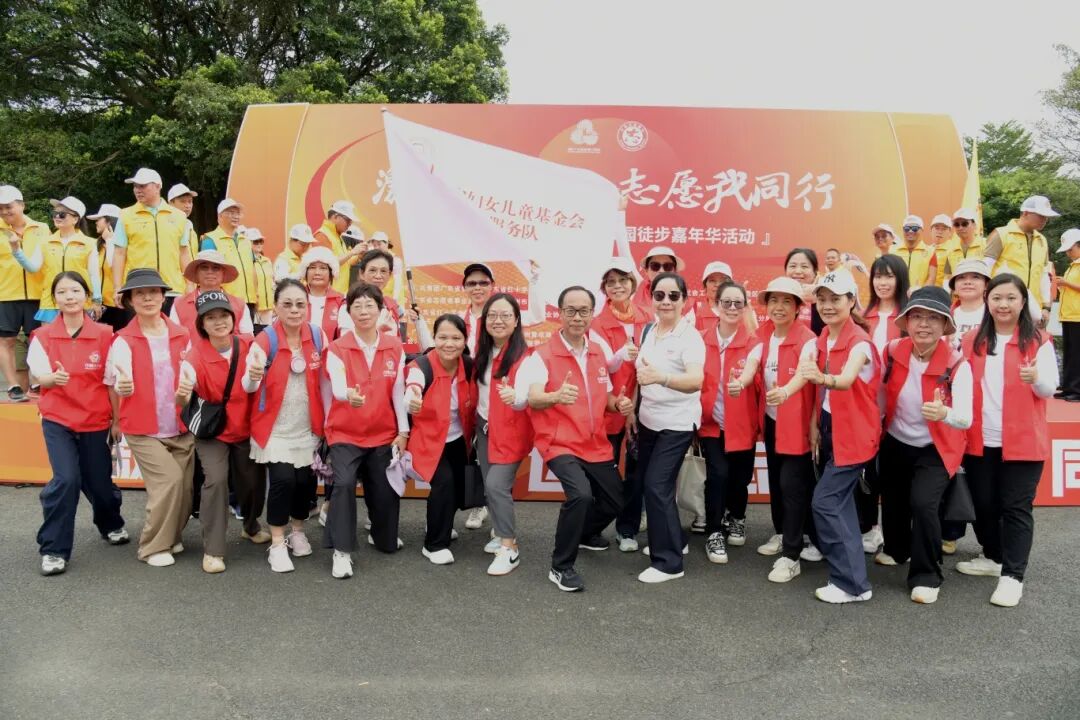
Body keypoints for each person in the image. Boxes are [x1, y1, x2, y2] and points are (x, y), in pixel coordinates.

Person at [517, 286, 629, 591]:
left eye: (583, 311)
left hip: (595, 443)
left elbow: (605, 397)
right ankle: (561, 566)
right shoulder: (542, 355)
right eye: (571, 311)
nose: (577, 317)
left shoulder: (598, 352)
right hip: (560, 443)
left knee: (616, 500)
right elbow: (534, 398)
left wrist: (618, 404)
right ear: (560, 314)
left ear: (592, 314)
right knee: (580, 495)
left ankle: (585, 533)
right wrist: (556, 396)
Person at [957, 274, 1058, 607]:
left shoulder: (1038, 340)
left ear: (1023, 302)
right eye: (997, 298)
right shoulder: (972, 340)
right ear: (987, 301)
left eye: (1011, 298)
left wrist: (1036, 378)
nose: (1003, 304)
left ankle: (1013, 576)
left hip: (1023, 442)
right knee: (983, 504)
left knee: (1016, 508)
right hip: (979, 440)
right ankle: (993, 556)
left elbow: (1049, 388)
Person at [877, 287, 973, 604]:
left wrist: (944, 413)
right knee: (893, 499)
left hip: (936, 446)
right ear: (906, 321)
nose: (924, 324)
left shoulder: (957, 364)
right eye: (917, 316)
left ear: (945, 325)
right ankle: (897, 549)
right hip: (895, 438)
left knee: (922, 504)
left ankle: (927, 575)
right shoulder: (893, 350)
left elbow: (966, 418)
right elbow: (880, 391)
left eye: (934, 318)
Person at [29, 272, 127, 575]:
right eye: (62, 292)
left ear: (86, 295)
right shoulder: (42, 336)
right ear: (53, 298)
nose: (69, 297)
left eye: (75, 290)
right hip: (57, 419)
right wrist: (51, 379)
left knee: (99, 483)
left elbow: (112, 383)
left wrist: (117, 421)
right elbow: (38, 377)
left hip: (95, 419)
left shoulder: (106, 334)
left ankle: (111, 523)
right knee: (66, 480)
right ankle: (54, 549)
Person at [799, 270, 881, 603]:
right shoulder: (823, 338)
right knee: (840, 504)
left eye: (835, 299)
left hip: (856, 434)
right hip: (832, 426)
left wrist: (823, 378)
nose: (827, 305)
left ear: (851, 301)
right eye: (822, 299)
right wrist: (815, 423)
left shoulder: (860, 341)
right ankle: (854, 582)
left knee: (826, 502)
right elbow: (821, 392)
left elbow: (845, 380)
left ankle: (850, 584)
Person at [104, 268, 194, 567]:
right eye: (139, 293)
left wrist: (190, 387)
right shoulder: (122, 340)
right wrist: (121, 399)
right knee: (169, 481)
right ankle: (152, 546)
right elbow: (115, 382)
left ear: (163, 297)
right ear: (129, 300)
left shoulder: (183, 335)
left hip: (181, 425)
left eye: (153, 292)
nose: (147, 298)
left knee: (185, 488)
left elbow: (194, 374)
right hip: (142, 427)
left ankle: (171, 536)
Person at [732, 277, 817, 582]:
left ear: (797, 307)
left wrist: (786, 392)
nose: (779, 307)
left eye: (786, 301)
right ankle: (782, 534)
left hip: (797, 422)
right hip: (771, 419)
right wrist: (740, 382)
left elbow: (805, 373)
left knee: (792, 486)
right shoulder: (763, 334)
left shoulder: (808, 338)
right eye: (774, 301)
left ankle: (792, 556)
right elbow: (752, 363)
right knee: (778, 485)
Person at [323, 281, 410, 579]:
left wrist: (403, 432)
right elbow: (337, 386)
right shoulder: (337, 348)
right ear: (348, 313)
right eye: (357, 306)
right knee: (344, 483)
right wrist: (348, 394)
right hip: (345, 434)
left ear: (381, 310)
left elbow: (398, 390)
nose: (363, 311)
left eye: (369, 305)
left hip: (383, 433)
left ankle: (379, 533)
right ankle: (341, 550)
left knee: (386, 496)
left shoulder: (394, 346)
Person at [179, 290, 268, 574]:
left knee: (252, 482)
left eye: (223, 315)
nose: (219, 322)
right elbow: (183, 393)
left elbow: (254, 380)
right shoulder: (195, 355)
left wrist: (255, 375)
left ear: (233, 318)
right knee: (216, 481)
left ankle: (251, 525)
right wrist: (182, 393)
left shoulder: (249, 345)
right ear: (202, 324)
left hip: (246, 427)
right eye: (211, 317)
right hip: (213, 431)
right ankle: (213, 550)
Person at [241, 279, 326, 573]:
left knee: (304, 484)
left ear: (308, 307)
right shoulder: (265, 340)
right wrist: (253, 375)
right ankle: (277, 542)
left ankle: (297, 531)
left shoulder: (317, 336)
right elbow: (248, 386)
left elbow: (326, 381)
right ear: (276, 307)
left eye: (300, 304)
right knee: (283, 481)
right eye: (287, 304)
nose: (294, 310)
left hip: (307, 427)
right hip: (274, 429)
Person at [633, 272, 705, 582]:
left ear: (684, 300)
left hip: (676, 423)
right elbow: (641, 375)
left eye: (673, 296)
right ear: (651, 298)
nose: (666, 301)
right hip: (649, 420)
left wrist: (662, 378)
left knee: (656, 485)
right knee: (652, 486)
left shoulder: (690, 337)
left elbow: (696, 380)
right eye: (659, 295)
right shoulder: (650, 330)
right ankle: (673, 540)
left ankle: (669, 563)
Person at [404, 314, 475, 566]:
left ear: (465, 340)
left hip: (458, 438)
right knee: (444, 483)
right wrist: (412, 398)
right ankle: (434, 544)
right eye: (443, 337)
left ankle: (438, 522)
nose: (449, 343)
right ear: (434, 338)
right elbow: (412, 386)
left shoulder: (469, 365)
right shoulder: (421, 366)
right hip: (428, 440)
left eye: (456, 338)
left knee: (460, 486)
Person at [472, 293, 533, 575]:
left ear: (516, 320)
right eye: (492, 315)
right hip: (484, 428)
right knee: (490, 485)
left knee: (497, 484)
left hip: (511, 432)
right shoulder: (482, 352)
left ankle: (510, 548)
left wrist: (516, 397)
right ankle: (499, 532)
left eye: (506, 315)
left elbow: (527, 395)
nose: (498, 320)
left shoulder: (526, 357)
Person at [698, 281, 758, 565]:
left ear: (745, 307)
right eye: (727, 302)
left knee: (740, 478)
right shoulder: (701, 340)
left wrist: (742, 383)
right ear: (716, 305)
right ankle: (713, 532)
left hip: (743, 424)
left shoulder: (754, 343)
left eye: (738, 303)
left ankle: (737, 517)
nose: (732, 308)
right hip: (711, 423)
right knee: (718, 475)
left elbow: (754, 374)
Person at [593, 258, 650, 552]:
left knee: (637, 472)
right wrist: (620, 354)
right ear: (604, 287)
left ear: (633, 283)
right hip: (608, 407)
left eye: (623, 280)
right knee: (608, 472)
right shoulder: (596, 323)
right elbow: (601, 365)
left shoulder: (647, 318)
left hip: (643, 406)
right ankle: (591, 528)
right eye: (611, 282)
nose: (617, 286)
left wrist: (634, 407)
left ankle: (627, 529)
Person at [858, 253, 910, 551]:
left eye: (889, 276)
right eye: (878, 276)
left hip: (899, 410)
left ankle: (897, 535)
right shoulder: (862, 317)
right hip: (865, 408)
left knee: (894, 474)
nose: (883, 282)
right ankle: (869, 527)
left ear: (900, 279)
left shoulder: (909, 319)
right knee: (868, 471)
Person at [111, 168, 192, 305]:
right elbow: (119, 253)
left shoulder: (179, 216)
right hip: (138, 288)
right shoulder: (125, 215)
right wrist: (117, 287)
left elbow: (183, 253)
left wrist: (190, 284)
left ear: (158, 187)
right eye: (135, 186)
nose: (138, 190)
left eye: (142, 186)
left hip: (173, 288)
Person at [17, 197, 101, 325]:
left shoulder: (89, 243)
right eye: (55, 213)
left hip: (79, 301)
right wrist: (17, 251)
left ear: (75, 219)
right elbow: (33, 268)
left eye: (62, 214)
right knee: (50, 337)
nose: (57, 217)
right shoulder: (44, 242)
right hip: (51, 301)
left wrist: (97, 300)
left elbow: (94, 274)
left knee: (78, 337)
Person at [0, 184, 49, 402]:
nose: (4, 212)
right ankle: (13, 386)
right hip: (5, 293)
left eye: (8, 207)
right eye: (0, 208)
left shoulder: (41, 228)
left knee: (37, 339)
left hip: (37, 293)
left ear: (22, 205)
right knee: (6, 341)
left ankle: (37, 382)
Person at [985, 196, 1059, 328]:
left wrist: (1046, 307)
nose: (1045, 220)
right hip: (1004, 307)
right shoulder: (1001, 234)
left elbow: (1043, 275)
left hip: (1033, 309)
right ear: (1025, 213)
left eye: (1046, 217)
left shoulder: (1042, 240)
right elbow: (985, 270)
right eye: (1041, 215)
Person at [169, 250, 253, 335]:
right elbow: (175, 338)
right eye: (204, 268)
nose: (210, 272)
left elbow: (248, 339)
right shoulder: (179, 304)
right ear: (196, 272)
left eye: (216, 268)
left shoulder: (240, 305)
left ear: (223, 273)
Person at [199, 198, 256, 314]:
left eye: (238, 213)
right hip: (224, 301)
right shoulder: (210, 239)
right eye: (231, 213)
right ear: (220, 216)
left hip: (249, 300)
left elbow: (253, 268)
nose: (235, 216)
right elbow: (206, 274)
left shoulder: (246, 241)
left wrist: (256, 295)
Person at [87, 204, 126, 331]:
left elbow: (112, 265)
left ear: (109, 222)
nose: (96, 222)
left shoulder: (122, 245)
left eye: (99, 219)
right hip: (99, 304)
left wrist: (110, 240)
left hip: (118, 303)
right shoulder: (96, 245)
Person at [314, 200, 365, 295]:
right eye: (348, 220)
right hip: (328, 294)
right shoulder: (322, 235)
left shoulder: (337, 237)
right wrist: (352, 252)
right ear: (335, 217)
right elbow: (326, 264)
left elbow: (344, 263)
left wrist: (358, 256)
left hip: (339, 294)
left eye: (351, 221)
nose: (350, 224)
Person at [298, 246, 344, 342]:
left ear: (331, 273)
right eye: (312, 268)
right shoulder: (295, 297)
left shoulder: (340, 301)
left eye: (323, 268)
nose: (317, 272)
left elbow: (344, 336)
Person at [1057, 230, 1080, 402]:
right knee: (1069, 353)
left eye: (1070, 249)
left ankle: (1076, 390)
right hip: (1068, 314)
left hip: (1078, 315)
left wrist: (1066, 283)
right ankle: (1067, 386)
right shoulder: (1073, 266)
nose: (1068, 253)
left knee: (1077, 354)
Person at [949, 259, 992, 348]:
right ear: (954, 288)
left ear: (986, 285)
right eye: (961, 277)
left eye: (975, 277)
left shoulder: (996, 314)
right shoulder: (944, 317)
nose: (967, 282)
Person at [937, 208, 985, 285]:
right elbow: (947, 277)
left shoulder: (986, 245)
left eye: (964, 224)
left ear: (974, 225)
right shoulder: (951, 250)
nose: (960, 227)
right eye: (956, 225)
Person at [632, 246, 684, 313]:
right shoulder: (634, 292)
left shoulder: (685, 302)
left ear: (675, 271)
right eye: (655, 266)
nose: (661, 271)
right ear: (646, 270)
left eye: (667, 266)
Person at [785, 247, 823, 334]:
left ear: (815, 272)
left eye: (804, 266)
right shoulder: (778, 296)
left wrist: (816, 301)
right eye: (793, 266)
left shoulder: (826, 299)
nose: (798, 271)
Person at [894, 215, 934, 290]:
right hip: (898, 295)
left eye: (915, 228)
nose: (910, 231)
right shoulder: (893, 250)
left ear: (922, 230)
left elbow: (931, 278)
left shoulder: (931, 252)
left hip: (920, 295)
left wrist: (920, 293)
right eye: (907, 229)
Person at [247, 228, 275, 334]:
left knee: (268, 335)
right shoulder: (247, 262)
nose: (259, 244)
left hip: (269, 307)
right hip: (255, 307)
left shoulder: (267, 261)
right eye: (255, 241)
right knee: (257, 334)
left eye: (261, 241)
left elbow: (272, 282)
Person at [369, 230, 405, 305]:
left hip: (393, 299)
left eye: (379, 244)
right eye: (374, 245)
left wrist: (395, 300)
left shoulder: (395, 260)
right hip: (380, 298)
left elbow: (397, 282)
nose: (376, 247)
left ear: (386, 244)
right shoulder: (374, 258)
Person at [927, 214, 954, 285]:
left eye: (944, 229)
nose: (940, 232)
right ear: (931, 230)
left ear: (950, 232)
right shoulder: (926, 250)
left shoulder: (954, 250)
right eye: (937, 228)